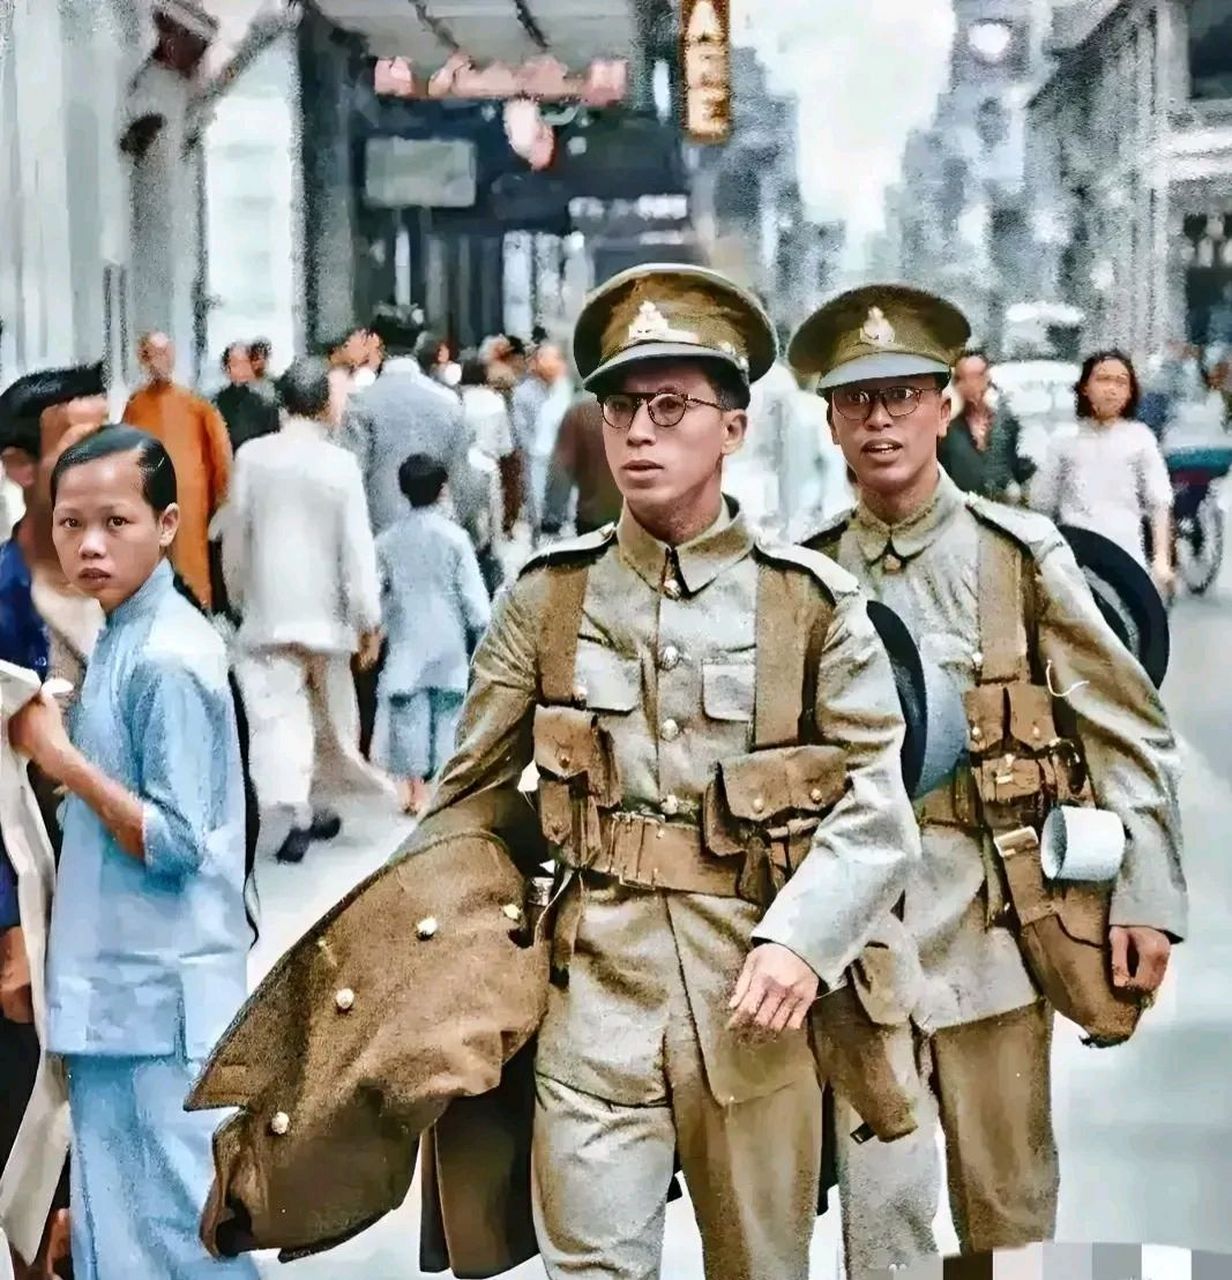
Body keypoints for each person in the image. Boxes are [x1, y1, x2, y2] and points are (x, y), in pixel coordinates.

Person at [408, 264, 923, 1279]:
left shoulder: (807, 605)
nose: (639, 431)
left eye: (670, 406)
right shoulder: (546, 600)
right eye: (619, 407)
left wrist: (802, 939)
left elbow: (876, 802)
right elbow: (462, 803)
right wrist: (432, 975)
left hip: (755, 999)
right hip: (593, 1003)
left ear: (731, 428)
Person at [790, 285, 1187, 1274]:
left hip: (996, 929)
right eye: (854, 401)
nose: (877, 420)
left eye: (899, 395)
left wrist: (1144, 898)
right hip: (860, 945)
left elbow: (1124, 727)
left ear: (940, 404)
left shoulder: (1018, 556)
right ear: (830, 420)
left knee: (1006, 1219)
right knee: (880, 1222)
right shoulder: (805, 576)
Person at [6, 424, 258, 1280]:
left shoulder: (168, 657)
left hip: (160, 1004)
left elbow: (178, 839)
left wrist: (57, 755)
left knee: (190, 1233)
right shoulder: (121, 633)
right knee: (128, 1239)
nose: (90, 544)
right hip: (121, 997)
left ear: (167, 523)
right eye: (71, 524)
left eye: (115, 522)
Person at [222, 357, 390, 865]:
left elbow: (235, 537)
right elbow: (357, 548)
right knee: (329, 720)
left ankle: (296, 809)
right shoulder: (339, 465)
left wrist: (238, 597)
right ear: (323, 406)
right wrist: (368, 618)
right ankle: (315, 804)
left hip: (269, 612)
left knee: (279, 717)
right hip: (327, 616)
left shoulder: (252, 457)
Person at [374, 454, 490, 815]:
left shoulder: (387, 541)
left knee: (407, 717)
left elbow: (376, 593)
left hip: (407, 640)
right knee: (447, 718)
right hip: (449, 644)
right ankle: (440, 789)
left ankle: (412, 790)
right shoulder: (456, 539)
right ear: (442, 490)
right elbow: (476, 603)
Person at [1030, 349, 1175, 594]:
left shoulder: (1140, 438)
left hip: (1127, 558)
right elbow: (1041, 503)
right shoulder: (1064, 441)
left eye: (1121, 382)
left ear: (1130, 392)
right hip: (1074, 561)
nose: (1111, 389)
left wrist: (1162, 560)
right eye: (1103, 379)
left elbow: (1159, 502)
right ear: (1085, 387)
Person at [122, 332, 232, 609]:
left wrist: (219, 507)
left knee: (191, 575)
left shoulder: (197, 407)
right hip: (147, 505)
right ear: (143, 359)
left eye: (165, 353)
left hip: (190, 511)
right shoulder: (135, 408)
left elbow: (221, 461)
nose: (160, 361)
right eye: (153, 354)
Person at [937, 349, 1034, 501]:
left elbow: (1016, 466)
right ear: (958, 384)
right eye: (971, 378)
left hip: (1001, 509)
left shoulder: (1005, 423)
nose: (980, 383)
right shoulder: (948, 431)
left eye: (981, 375)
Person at [540, 390, 623, 536]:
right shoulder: (659, 406)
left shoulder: (582, 408)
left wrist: (552, 518)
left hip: (595, 519)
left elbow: (562, 466)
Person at [213, 342, 279, 456]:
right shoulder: (217, 404)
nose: (242, 369)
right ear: (227, 369)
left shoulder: (265, 404)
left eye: (245, 363)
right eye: (235, 364)